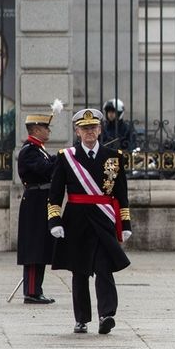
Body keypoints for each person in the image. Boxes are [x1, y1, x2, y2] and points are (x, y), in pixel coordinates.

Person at [47, 108, 132, 334]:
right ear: (77, 132)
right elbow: (55, 194)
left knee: (104, 268)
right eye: (85, 129)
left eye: (93, 128)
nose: (89, 132)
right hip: (77, 220)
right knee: (80, 271)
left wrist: (125, 225)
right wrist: (55, 221)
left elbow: (121, 194)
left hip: (104, 220)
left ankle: (107, 315)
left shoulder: (114, 157)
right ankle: (82, 319)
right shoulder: (67, 158)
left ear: (100, 129)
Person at [16, 102, 61, 304]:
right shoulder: (29, 151)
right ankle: (31, 292)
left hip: (40, 201)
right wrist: (61, 159)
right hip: (34, 202)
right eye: (45, 127)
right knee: (34, 248)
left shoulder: (39, 150)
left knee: (41, 246)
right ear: (35, 129)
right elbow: (44, 169)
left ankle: (36, 289)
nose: (48, 131)